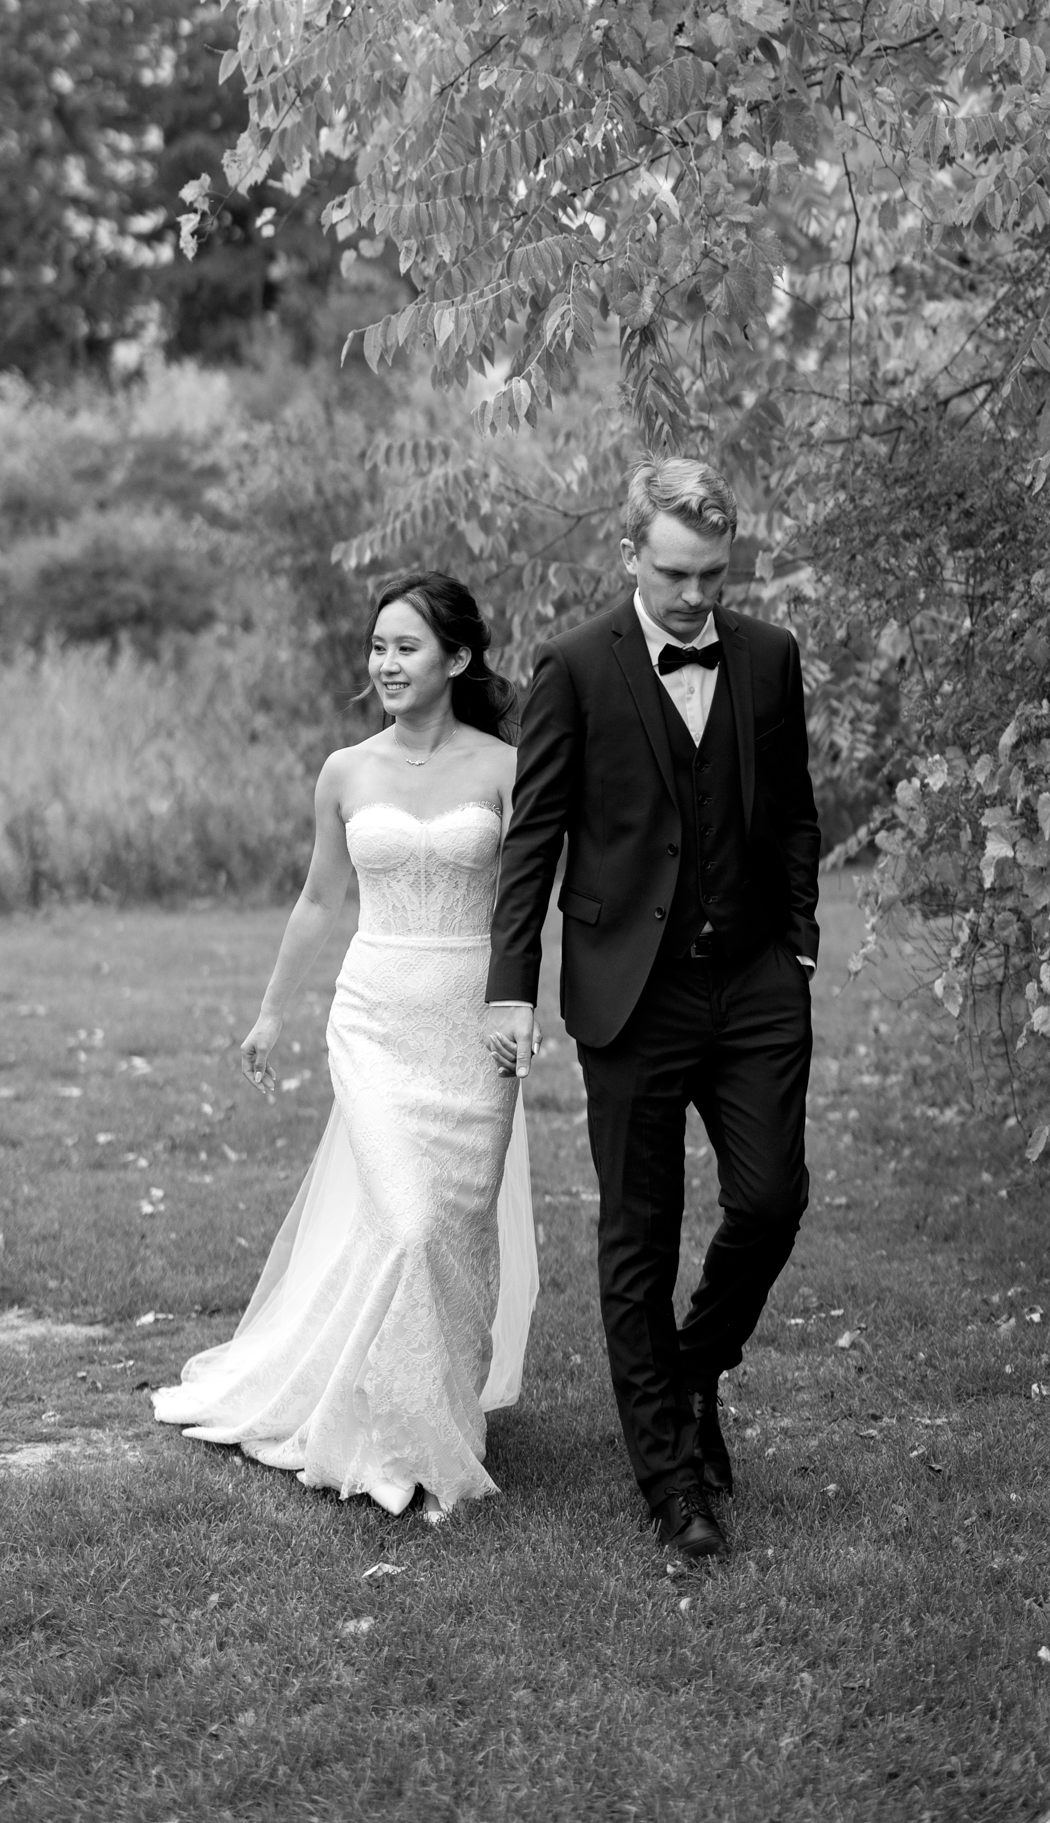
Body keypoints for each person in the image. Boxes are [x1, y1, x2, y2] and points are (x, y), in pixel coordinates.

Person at [485, 458, 821, 1564]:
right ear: (630, 553)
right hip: (630, 989)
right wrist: (508, 987)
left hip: (758, 980)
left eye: (712, 575)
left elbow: (792, 815)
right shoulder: (575, 667)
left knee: (771, 1198)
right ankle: (671, 1478)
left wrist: (802, 939)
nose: (693, 597)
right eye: (674, 573)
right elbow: (532, 838)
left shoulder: (768, 658)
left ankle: (690, 1366)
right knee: (640, 1230)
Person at [155, 572, 539, 1518]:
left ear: (456, 659)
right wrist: (273, 1013)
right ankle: (401, 1438)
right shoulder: (345, 769)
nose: (385, 664)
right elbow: (320, 899)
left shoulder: (503, 767)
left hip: (469, 1024)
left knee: (448, 1233)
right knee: (406, 1218)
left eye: (405, 647)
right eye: (377, 647)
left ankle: (434, 1404)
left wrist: (523, 1003)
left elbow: (533, 907)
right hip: (372, 1019)